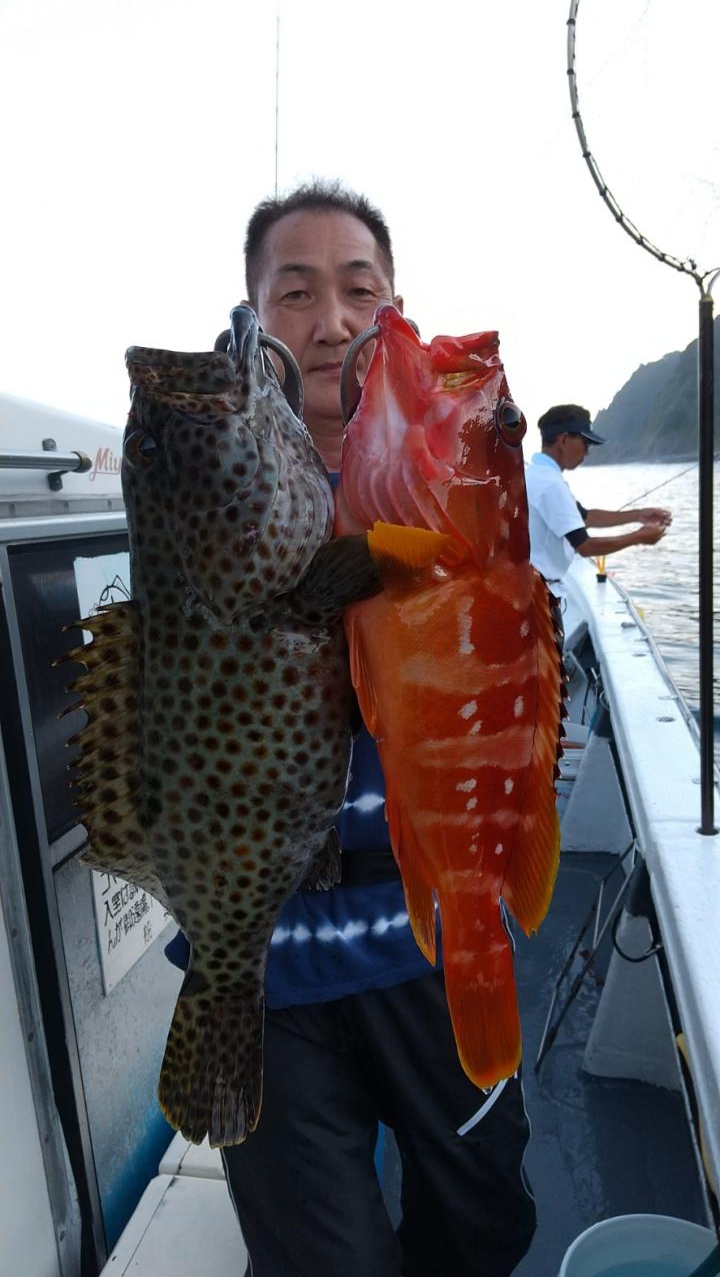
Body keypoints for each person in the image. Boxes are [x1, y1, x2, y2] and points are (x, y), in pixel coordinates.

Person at [165, 180, 537, 1277]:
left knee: (479, 1223)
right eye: (294, 293)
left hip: (431, 934)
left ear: (393, 312)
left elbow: (509, 648)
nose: (330, 321)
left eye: (357, 291)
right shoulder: (212, 493)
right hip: (267, 960)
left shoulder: (447, 477)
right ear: (253, 319)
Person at [525, 404, 671, 589]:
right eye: (585, 443)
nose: (587, 452)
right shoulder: (550, 484)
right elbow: (586, 547)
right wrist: (638, 537)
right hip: (537, 592)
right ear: (564, 440)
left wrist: (639, 515)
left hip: (529, 585)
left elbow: (585, 517)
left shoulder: (535, 475)